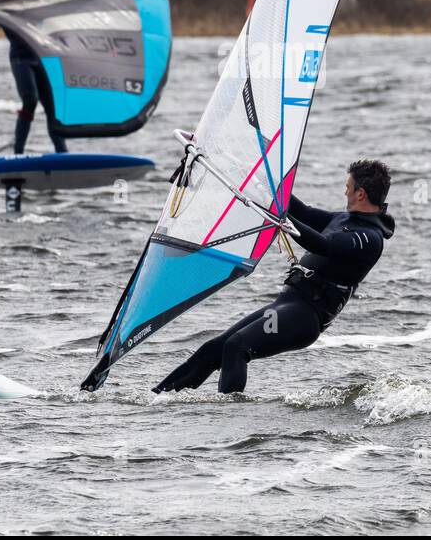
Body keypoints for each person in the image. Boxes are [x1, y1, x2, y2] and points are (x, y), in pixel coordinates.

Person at [153, 159, 395, 395]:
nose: (345, 191)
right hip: (286, 304)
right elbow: (302, 211)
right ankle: (157, 399)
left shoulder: (369, 238)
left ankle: (226, 418)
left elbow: (325, 245)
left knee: (237, 347)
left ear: (360, 194)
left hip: (305, 316)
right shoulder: (342, 219)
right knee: (215, 348)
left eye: (348, 187)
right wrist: (257, 179)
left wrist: (281, 219)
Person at [1, 0, 67, 156]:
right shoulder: (7, 5)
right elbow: (13, 32)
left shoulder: (36, 2)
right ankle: (18, 153)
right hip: (21, 59)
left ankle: (62, 152)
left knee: (52, 105)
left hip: (40, 58)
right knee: (30, 99)